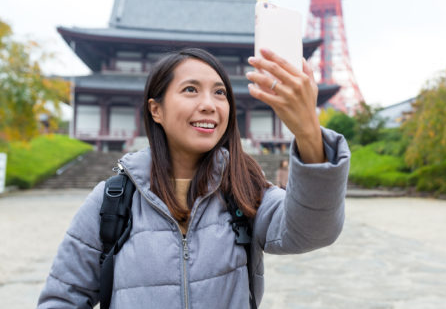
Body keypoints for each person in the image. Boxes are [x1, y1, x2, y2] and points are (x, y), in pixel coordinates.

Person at [37, 48, 350, 308]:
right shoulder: (112, 201)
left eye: (220, 93)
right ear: (155, 109)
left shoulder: (243, 191)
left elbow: (313, 231)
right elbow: (62, 298)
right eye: (190, 89)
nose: (209, 105)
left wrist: (308, 132)